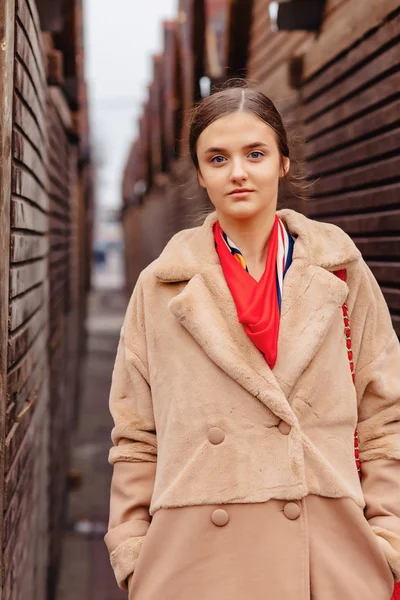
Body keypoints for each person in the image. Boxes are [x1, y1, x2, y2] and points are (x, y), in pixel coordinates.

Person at [104, 86, 400, 600]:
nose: (237, 172)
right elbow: (135, 435)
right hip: (193, 564)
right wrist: (134, 554)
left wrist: (388, 542)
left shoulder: (341, 272)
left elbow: (386, 416)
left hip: (328, 561)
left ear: (283, 162)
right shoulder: (161, 287)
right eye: (217, 158)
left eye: (255, 154)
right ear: (199, 173)